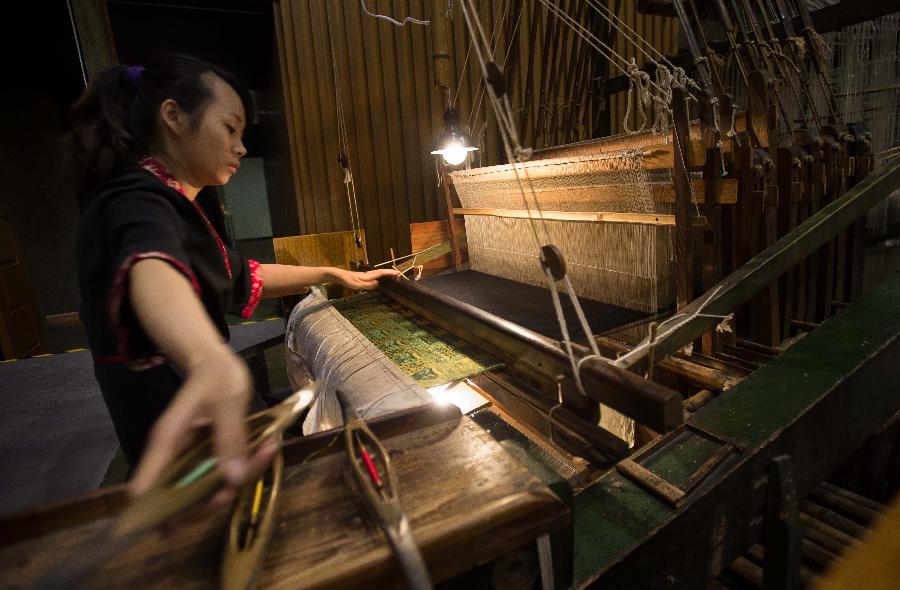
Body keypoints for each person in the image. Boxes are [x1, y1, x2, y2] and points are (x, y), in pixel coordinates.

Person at [65, 53, 397, 503]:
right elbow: (153, 268)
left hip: (209, 424)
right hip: (189, 435)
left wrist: (331, 273)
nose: (241, 147)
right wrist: (207, 358)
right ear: (173, 117)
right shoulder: (133, 201)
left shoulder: (174, 204)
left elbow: (243, 276)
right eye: (230, 128)